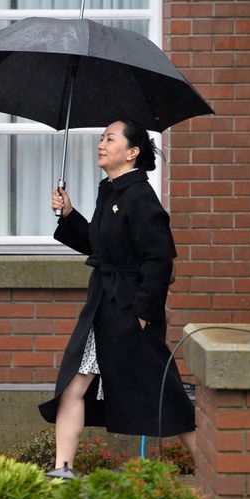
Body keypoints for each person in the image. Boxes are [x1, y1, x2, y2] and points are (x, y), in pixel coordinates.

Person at [38, 119, 197, 475]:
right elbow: (101, 246)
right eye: (100, 137)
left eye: (110, 138)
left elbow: (160, 259)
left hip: (130, 312)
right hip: (102, 307)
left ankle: (219, 473)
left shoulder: (140, 195)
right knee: (72, 385)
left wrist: (143, 314)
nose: (101, 144)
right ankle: (62, 471)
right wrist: (68, 215)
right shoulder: (110, 191)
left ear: (132, 152)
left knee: (167, 395)